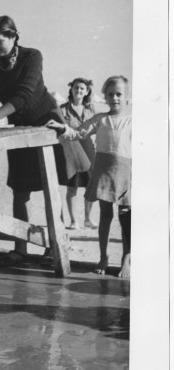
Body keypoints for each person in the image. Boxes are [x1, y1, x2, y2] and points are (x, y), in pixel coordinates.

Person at [0, 15, 66, 268]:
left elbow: (23, 95)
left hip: (47, 123)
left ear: (13, 36)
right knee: (20, 191)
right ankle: (20, 248)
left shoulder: (32, 56)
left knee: (50, 190)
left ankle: (56, 246)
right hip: (18, 127)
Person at [47, 76, 131, 279]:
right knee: (105, 216)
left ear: (126, 97)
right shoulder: (100, 119)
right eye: (110, 94)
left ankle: (126, 259)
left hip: (127, 173)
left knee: (126, 218)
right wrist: (62, 128)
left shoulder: (133, 120)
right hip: (103, 171)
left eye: (119, 94)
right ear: (105, 97)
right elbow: (77, 133)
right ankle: (103, 257)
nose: (114, 98)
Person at [59, 77, 97, 229]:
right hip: (71, 149)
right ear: (71, 89)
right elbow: (60, 130)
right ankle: (74, 221)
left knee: (90, 187)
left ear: (87, 92)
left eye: (82, 88)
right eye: (76, 87)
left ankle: (88, 219)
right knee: (72, 187)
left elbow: (98, 127)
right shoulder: (62, 109)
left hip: (89, 149)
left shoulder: (91, 109)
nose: (79, 90)